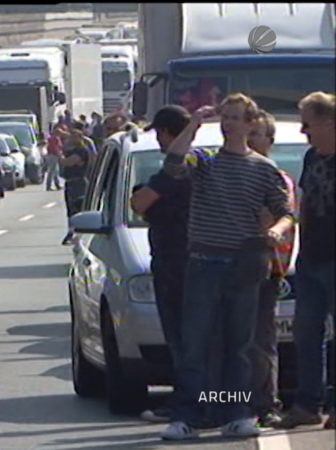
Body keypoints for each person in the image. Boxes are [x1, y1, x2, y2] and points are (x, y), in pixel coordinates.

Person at [159, 94, 295, 441]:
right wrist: (193, 124)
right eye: (226, 117)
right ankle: (188, 414)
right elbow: (173, 164)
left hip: (244, 263)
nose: (229, 123)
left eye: (236, 118)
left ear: (251, 125)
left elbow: (285, 211)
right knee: (196, 344)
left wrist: (275, 232)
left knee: (239, 345)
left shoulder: (264, 170)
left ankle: (236, 411)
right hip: (204, 262)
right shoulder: (204, 161)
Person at [131, 105, 199, 423]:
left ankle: (188, 404)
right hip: (198, 264)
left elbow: (141, 203)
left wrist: (144, 201)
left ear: (170, 133)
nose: (158, 139)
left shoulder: (175, 172)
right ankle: (220, 401)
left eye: (160, 133)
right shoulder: (203, 164)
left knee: (182, 342)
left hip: (176, 266)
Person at [277, 91, 336, 430]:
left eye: (308, 124)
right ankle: (307, 404)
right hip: (311, 258)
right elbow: (304, 206)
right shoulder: (312, 157)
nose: (304, 132)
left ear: (329, 122)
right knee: (306, 332)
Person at [246, 109, 297, 428]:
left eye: (256, 135)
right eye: (246, 133)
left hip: (267, 268)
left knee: (261, 340)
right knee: (230, 340)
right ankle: (228, 402)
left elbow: (269, 219)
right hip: (231, 267)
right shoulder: (236, 170)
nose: (249, 140)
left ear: (270, 141)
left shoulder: (275, 177)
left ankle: (266, 404)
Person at [59, 128, 92, 245]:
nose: (71, 139)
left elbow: (69, 162)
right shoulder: (72, 150)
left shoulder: (81, 151)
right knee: (70, 209)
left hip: (78, 182)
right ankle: (71, 231)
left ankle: (79, 233)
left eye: (74, 137)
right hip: (70, 182)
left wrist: (61, 157)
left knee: (78, 207)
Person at [45, 123, 67, 191]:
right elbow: (55, 148)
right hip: (53, 155)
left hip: (51, 155)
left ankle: (57, 184)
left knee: (55, 171)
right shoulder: (55, 138)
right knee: (51, 171)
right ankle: (48, 186)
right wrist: (59, 154)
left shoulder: (52, 138)